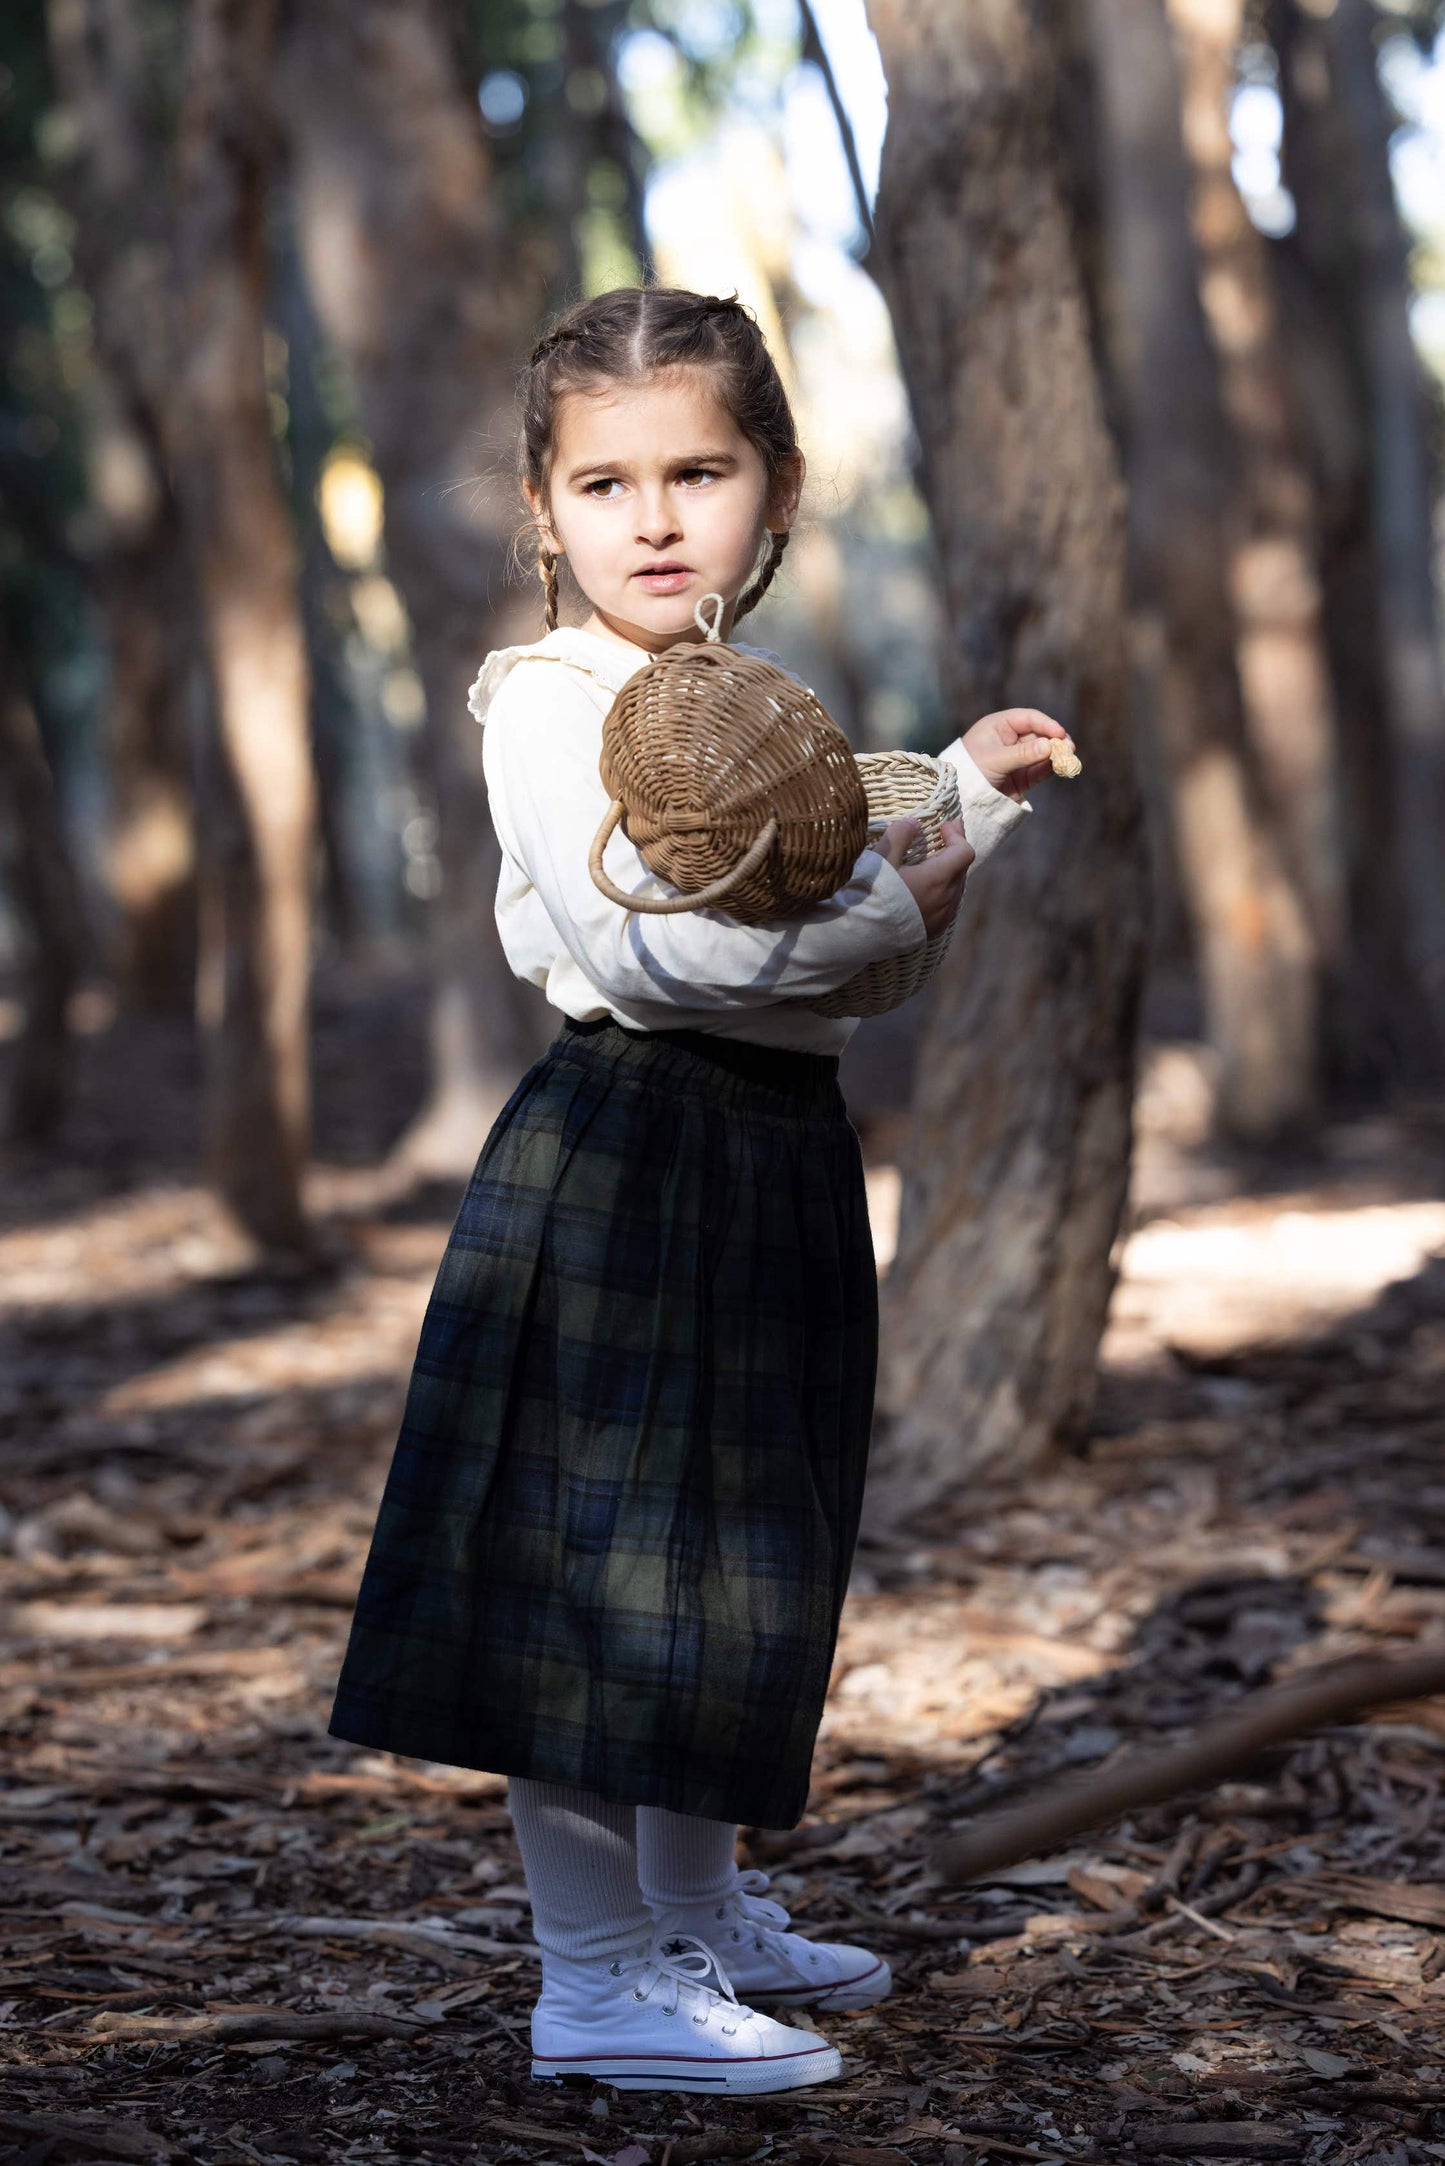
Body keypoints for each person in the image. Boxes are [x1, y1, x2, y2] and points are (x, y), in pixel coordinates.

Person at [329, 286, 1075, 2096]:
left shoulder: (744, 707)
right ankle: (591, 1979)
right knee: (593, 1566)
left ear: (775, 488)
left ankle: (694, 1912)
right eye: (603, 481)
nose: (652, 518)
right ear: (541, 506)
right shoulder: (551, 703)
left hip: (770, 1153)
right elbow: (675, 965)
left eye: (696, 470)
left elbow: (826, 951)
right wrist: (922, 877)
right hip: (633, 1144)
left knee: (729, 1560)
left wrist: (954, 801)